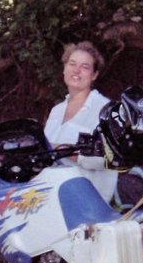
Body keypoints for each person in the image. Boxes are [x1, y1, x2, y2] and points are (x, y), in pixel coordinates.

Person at [43, 41, 117, 203]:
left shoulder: (105, 109)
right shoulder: (56, 111)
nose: (76, 70)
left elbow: (109, 157)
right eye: (72, 64)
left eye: (85, 67)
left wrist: (62, 150)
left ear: (94, 75)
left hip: (89, 201)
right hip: (53, 196)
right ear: (64, 69)